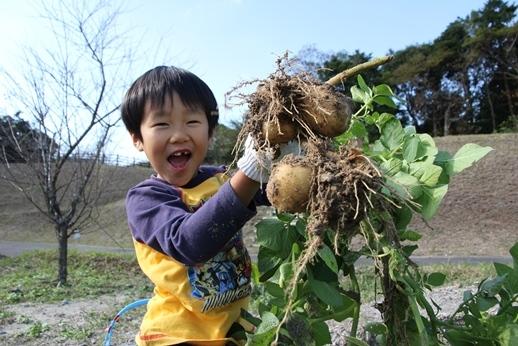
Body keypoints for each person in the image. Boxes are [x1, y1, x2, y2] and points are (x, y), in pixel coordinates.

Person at [121, 66, 289, 346]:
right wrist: (249, 171)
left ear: (210, 133)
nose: (178, 135)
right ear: (137, 138)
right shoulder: (146, 199)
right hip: (176, 335)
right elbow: (188, 242)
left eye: (192, 122)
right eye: (162, 124)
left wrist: (290, 158)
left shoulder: (221, 179)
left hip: (232, 331)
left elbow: (278, 192)